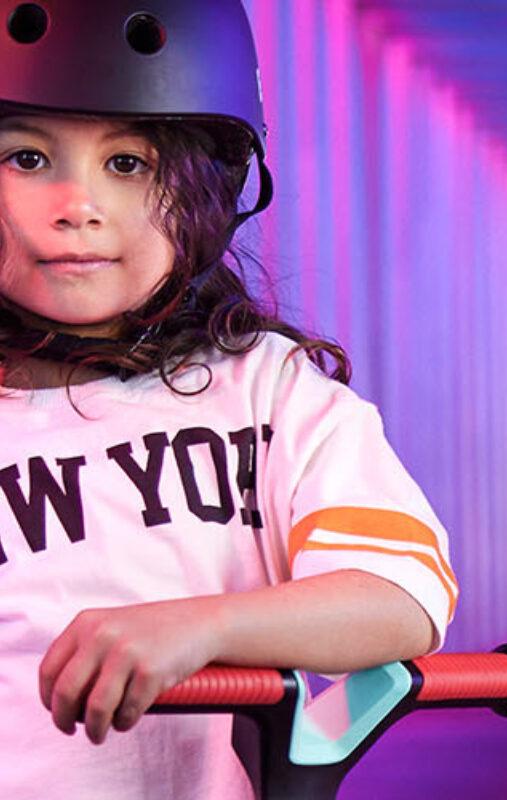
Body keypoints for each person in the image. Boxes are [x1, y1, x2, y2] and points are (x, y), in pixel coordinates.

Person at [0, 2, 456, 797]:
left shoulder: (264, 393)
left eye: (130, 163)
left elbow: (401, 594)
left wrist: (203, 626)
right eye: (27, 159)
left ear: (208, 191)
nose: (77, 204)